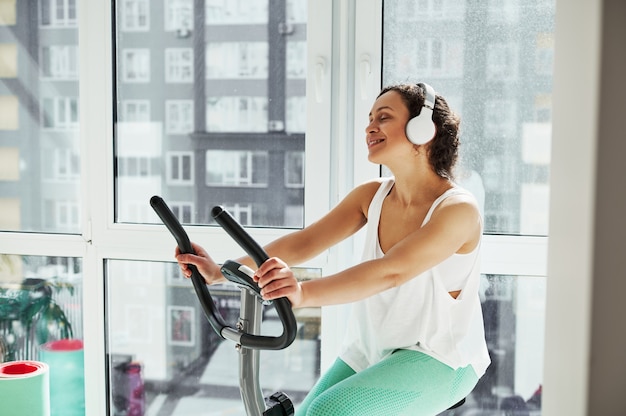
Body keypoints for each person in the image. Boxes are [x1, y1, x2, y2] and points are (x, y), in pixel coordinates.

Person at [176, 83, 491, 415]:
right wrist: (222, 271)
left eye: (384, 117)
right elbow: (304, 242)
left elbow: (391, 271)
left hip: (441, 357)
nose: (370, 126)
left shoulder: (457, 210)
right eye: (370, 118)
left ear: (423, 129)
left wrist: (303, 294)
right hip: (375, 347)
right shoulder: (372, 195)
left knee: (327, 411)